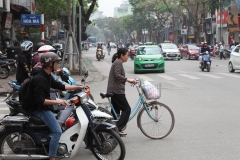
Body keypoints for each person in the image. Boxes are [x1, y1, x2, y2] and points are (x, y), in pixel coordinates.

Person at [31, 52, 89, 160]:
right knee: (57, 131)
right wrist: (59, 102)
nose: (58, 65)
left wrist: (79, 87)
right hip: (39, 109)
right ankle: (52, 157)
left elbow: (61, 86)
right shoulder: (40, 78)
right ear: (50, 64)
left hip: (43, 106)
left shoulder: (46, 75)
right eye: (56, 62)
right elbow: (39, 100)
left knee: (61, 117)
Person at [107, 48, 136, 136]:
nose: (128, 57)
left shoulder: (118, 62)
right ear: (122, 55)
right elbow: (117, 75)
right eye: (127, 55)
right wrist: (128, 79)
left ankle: (112, 129)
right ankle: (117, 128)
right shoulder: (118, 63)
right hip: (117, 91)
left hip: (115, 90)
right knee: (127, 109)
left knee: (115, 112)